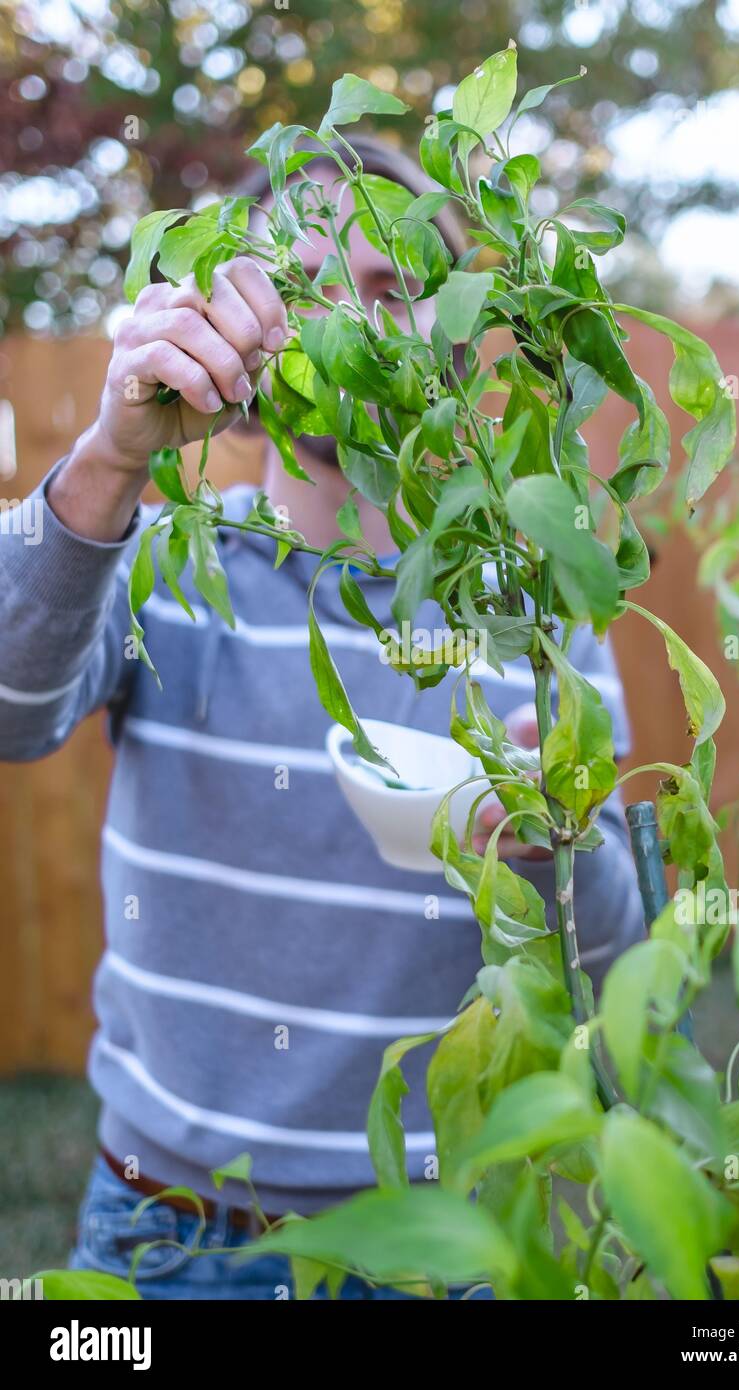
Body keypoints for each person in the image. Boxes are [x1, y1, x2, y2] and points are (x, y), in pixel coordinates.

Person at [0, 137, 646, 1300]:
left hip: (436, 1241)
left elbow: (610, 955)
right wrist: (109, 457)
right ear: (232, 331)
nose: (350, 322)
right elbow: (10, 709)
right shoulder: (159, 558)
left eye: (396, 289)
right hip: (167, 1226)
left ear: (456, 338)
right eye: (300, 283)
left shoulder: (538, 619)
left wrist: (558, 848)